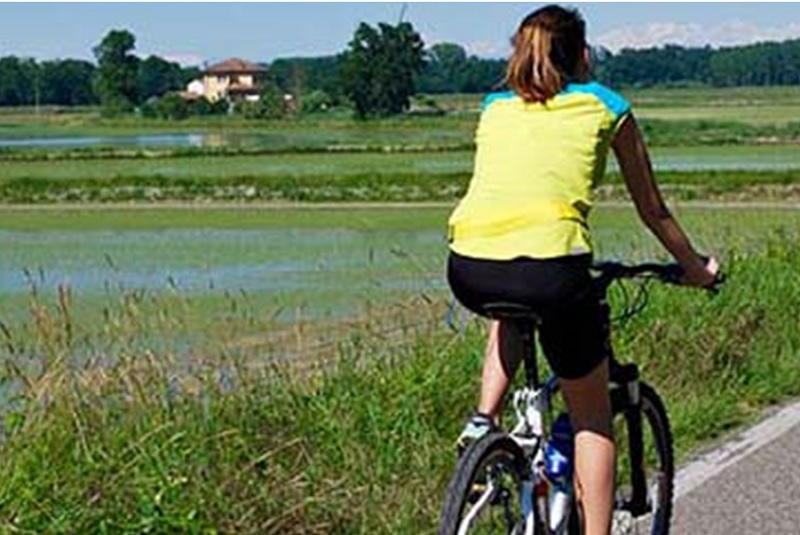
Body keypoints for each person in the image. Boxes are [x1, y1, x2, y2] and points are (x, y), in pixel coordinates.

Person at [445, 5, 719, 535]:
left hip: (470, 266)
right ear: (583, 54)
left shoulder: (494, 106)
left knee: (511, 304)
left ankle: (484, 421)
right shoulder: (606, 105)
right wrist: (697, 268)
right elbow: (653, 210)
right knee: (592, 418)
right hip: (553, 269)